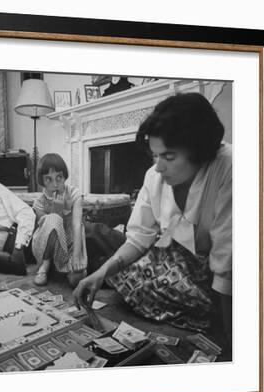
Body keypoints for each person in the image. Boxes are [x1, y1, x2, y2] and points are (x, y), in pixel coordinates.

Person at [73, 92, 232, 336]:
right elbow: (139, 238)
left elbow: (227, 261)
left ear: (200, 150)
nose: (158, 166)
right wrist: (101, 273)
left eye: (168, 156)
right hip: (172, 259)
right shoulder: (153, 176)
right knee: (120, 268)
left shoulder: (229, 168)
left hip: (218, 272)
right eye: (155, 155)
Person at [31, 153, 87, 287]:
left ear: (64, 176)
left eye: (59, 177)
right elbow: (48, 230)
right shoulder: (38, 203)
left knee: (76, 280)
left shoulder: (75, 194)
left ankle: (64, 266)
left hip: (70, 239)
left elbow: (77, 224)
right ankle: (45, 265)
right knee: (53, 219)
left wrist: (77, 255)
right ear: (42, 181)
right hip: (46, 246)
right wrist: (58, 209)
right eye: (48, 179)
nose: (55, 184)